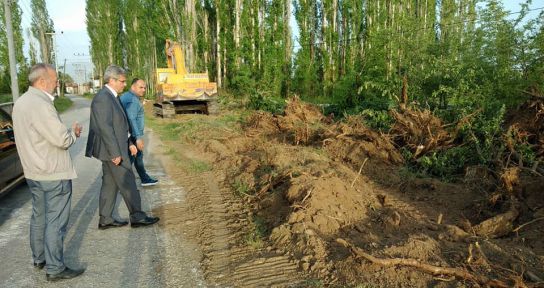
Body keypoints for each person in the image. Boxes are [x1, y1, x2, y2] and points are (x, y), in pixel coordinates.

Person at [12, 63, 85, 281]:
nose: (57, 84)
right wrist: (73, 133)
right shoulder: (41, 104)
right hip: (53, 172)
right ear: (42, 81)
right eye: (55, 80)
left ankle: (40, 258)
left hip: (33, 172)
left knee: (39, 216)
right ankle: (55, 268)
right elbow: (61, 139)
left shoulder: (21, 102)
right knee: (55, 221)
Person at [85, 65, 159, 229]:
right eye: (122, 81)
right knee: (128, 180)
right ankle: (137, 216)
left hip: (116, 147)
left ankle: (105, 219)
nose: (124, 84)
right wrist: (115, 153)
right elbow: (105, 128)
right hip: (113, 150)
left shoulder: (113, 96)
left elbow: (120, 125)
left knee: (110, 184)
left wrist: (130, 142)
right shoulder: (103, 98)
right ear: (111, 80)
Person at [119, 78, 158, 186]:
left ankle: (144, 178)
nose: (144, 90)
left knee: (137, 156)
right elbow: (131, 119)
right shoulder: (132, 100)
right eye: (141, 87)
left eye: (145, 88)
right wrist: (138, 137)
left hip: (129, 134)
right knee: (130, 159)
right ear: (133, 87)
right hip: (132, 135)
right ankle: (120, 183)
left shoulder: (128, 96)